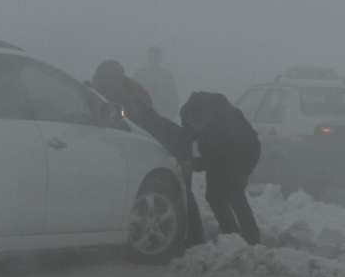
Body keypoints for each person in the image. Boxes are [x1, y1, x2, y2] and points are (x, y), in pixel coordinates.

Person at [91, 60, 204, 248]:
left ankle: (191, 240)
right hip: (168, 142)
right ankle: (190, 238)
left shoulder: (136, 104)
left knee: (181, 193)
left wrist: (185, 164)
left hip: (174, 148)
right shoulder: (113, 92)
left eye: (107, 87)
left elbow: (168, 133)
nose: (104, 90)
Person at [180, 91, 261, 246]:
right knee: (213, 195)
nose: (196, 128)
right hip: (215, 152)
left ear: (209, 117)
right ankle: (230, 235)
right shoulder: (189, 114)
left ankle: (252, 238)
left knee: (234, 192)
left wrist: (197, 164)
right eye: (192, 124)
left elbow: (224, 157)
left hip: (244, 153)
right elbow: (186, 137)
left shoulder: (230, 121)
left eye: (199, 124)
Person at [133, 46, 179, 120]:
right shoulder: (139, 74)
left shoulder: (167, 75)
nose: (155, 58)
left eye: (157, 56)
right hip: (143, 112)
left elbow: (173, 94)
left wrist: (174, 111)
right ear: (148, 57)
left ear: (160, 58)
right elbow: (133, 92)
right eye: (153, 56)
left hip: (163, 113)